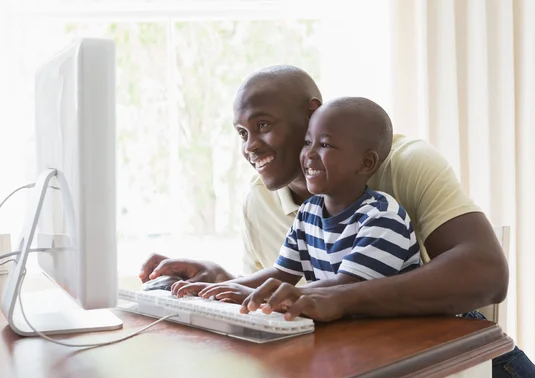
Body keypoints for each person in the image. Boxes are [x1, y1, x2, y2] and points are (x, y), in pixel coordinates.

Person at [140, 65, 535, 378]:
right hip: (348, 365)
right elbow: (279, 292)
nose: (250, 146)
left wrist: (338, 297)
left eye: (263, 125)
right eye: (242, 133)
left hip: (432, 359)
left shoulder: (400, 166)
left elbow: (487, 273)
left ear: (311, 114)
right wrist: (221, 281)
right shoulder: (259, 201)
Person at [171, 97, 421, 310]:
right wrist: (219, 289)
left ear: (366, 163)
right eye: (307, 143)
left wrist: (260, 297)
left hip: (397, 338)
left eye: (324, 145)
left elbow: (346, 286)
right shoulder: (309, 213)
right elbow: (282, 273)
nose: (309, 155)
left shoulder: (382, 219)